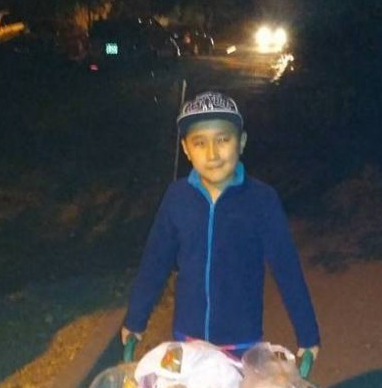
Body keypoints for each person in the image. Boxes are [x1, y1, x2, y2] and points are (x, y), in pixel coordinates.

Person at [121, 90, 320, 364]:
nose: (212, 154)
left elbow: (287, 268)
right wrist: (135, 319)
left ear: (241, 142)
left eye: (223, 140)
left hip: (241, 345)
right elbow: (155, 261)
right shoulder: (177, 197)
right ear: (186, 149)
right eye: (200, 143)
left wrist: (307, 334)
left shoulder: (261, 200)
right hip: (187, 342)